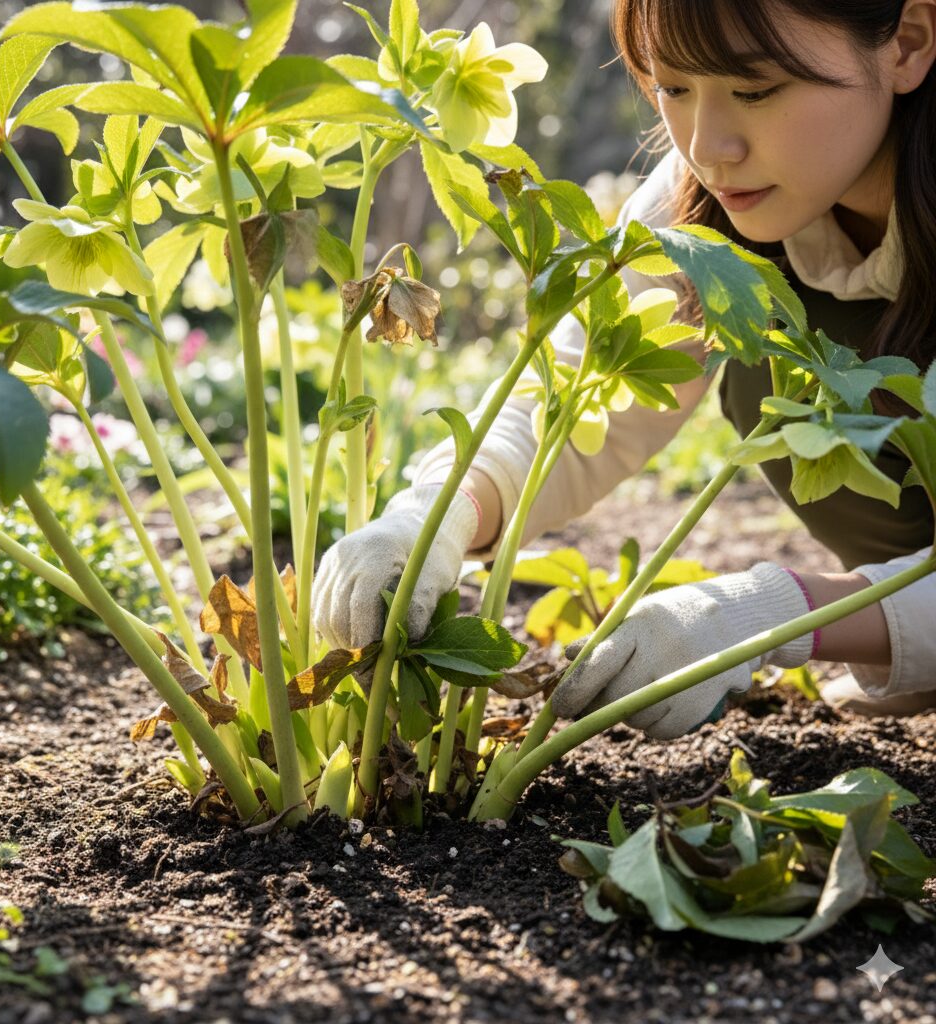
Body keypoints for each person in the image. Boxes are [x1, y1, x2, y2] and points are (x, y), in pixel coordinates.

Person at [311, 0, 936, 737]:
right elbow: (576, 401)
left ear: (908, 42)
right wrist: (431, 519)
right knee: (740, 335)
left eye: (757, 89)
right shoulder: (700, 208)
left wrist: (773, 612)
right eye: (673, 89)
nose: (709, 147)